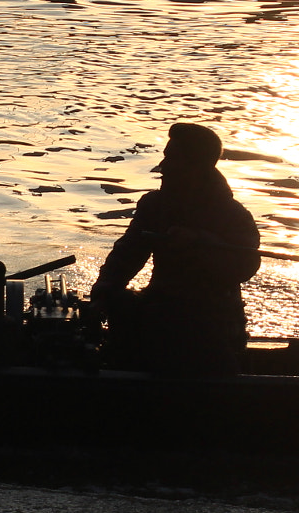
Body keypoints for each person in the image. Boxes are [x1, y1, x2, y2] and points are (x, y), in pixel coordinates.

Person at [93, 123, 260, 376]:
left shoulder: (233, 215)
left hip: (212, 321)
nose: (163, 166)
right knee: (121, 306)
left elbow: (245, 266)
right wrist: (103, 289)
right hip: (160, 307)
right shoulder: (154, 205)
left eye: (171, 158)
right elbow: (127, 253)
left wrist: (200, 242)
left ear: (197, 167)